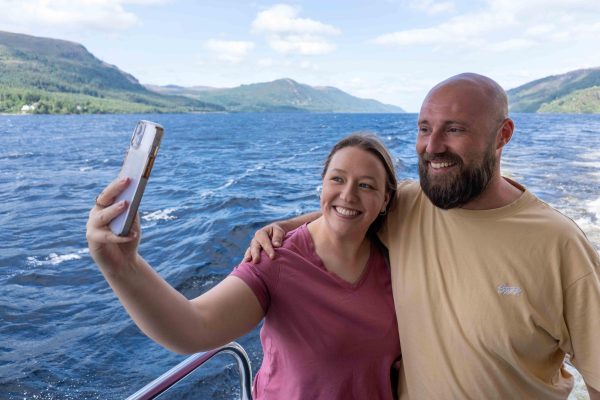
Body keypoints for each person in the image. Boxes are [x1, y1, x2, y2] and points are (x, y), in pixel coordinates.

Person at [244, 73, 600, 399]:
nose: (432, 146)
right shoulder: (410, 205)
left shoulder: (558, 245)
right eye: (424, 128)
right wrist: (285, 227)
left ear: (503, 134)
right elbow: (351, 211)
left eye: (454, 129)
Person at [86, 133, 402, 399]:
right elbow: (194, 327)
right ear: (322, 183)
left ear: (386, 200)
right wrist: (123, 267)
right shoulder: (278, 258)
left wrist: (291, 221)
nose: (348, 194)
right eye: (337, 179)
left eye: (366, 186)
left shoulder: (395, 255)